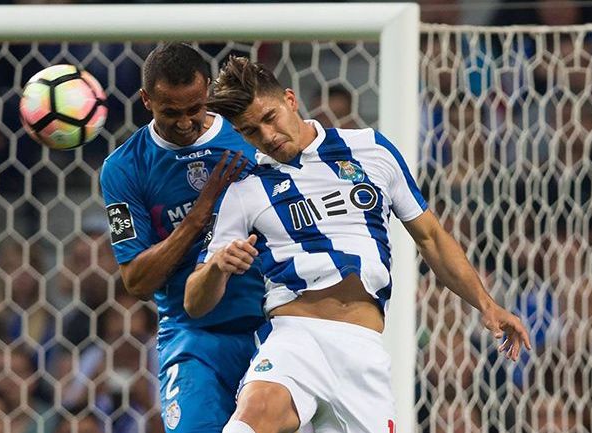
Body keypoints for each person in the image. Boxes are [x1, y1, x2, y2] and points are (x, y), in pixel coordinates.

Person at [186, 56, 532, 433]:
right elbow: (194, 301)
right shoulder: (246, 188)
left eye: (269, 118)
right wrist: (218, 266)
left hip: (362, 350)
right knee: (248, 423)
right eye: (250, 132)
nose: (266, 137)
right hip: (294, 339)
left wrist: (486, 304)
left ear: (290, 100)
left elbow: (431, 236)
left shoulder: (371, 150)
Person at [99, 43, 266, 432]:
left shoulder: (249, 134)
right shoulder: (123, 169)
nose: (186, 122)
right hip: (193, 336)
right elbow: (136, 281)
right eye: (170, 112)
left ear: (207, 88)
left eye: (194, 108)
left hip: (271, 321)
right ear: (146, 100)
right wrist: (195, 220)